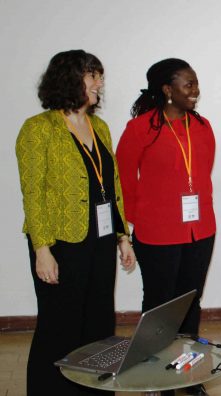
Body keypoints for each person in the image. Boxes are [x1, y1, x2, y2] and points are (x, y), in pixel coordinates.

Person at [16, 49, 135, 395]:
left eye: (99, 76)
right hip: (60, 243)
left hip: (98, 240)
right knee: (59, 328)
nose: (99, 83)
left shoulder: (99, 126)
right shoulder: (39, 128)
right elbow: (32, 192)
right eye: (91, 75)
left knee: (99, 324)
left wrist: (122, 236)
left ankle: (95, 390)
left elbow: (112, 185)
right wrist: (42, 249)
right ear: (69, 79)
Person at [116, 58, 215, 396]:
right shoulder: (141, 128)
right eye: (188, 84)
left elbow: (201, 176)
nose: (195, 90)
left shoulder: (201, 126)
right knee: (160, 308)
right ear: (167, 90)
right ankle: (158, 379)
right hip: (157, 232)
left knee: (191, 302)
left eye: (196, 83)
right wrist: (135, 222)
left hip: (200, 230)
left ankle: (188, 374)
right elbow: (124, 181)